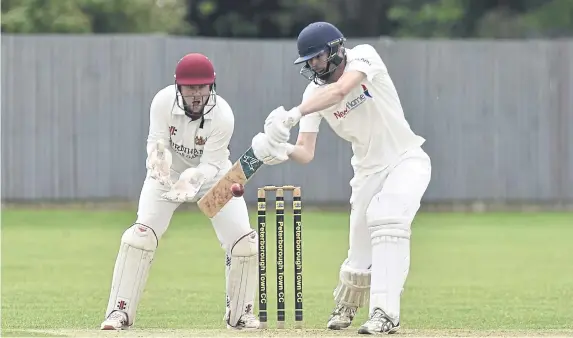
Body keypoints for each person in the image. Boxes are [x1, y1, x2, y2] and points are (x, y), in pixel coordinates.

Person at [250, 22, 432, 334]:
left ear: (335, 49)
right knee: (359, 252)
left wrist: (291, 115)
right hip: (366, 171)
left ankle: (385, 314)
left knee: (387, 219)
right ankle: (347, 305)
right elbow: (306, 152)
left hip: (406, 158)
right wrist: (281, 149)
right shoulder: (312, 94)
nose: (313, 65)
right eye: (308, 61)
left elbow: (340, 90)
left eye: (317, 57)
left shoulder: (363, 57)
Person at [100, 53, 260, 331]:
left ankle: (240, 315)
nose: (197, 94)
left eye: (202, 87)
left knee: (244, 242)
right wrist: (157, 160)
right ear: (178, 87)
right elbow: (156, 140)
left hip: (215, 175)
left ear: (212, 86)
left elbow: (210, 163)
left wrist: (193, 177)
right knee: (140, 236)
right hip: (167, 175)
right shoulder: (162, 101)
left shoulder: (224, 115)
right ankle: (118, 312)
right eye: (190, 87)